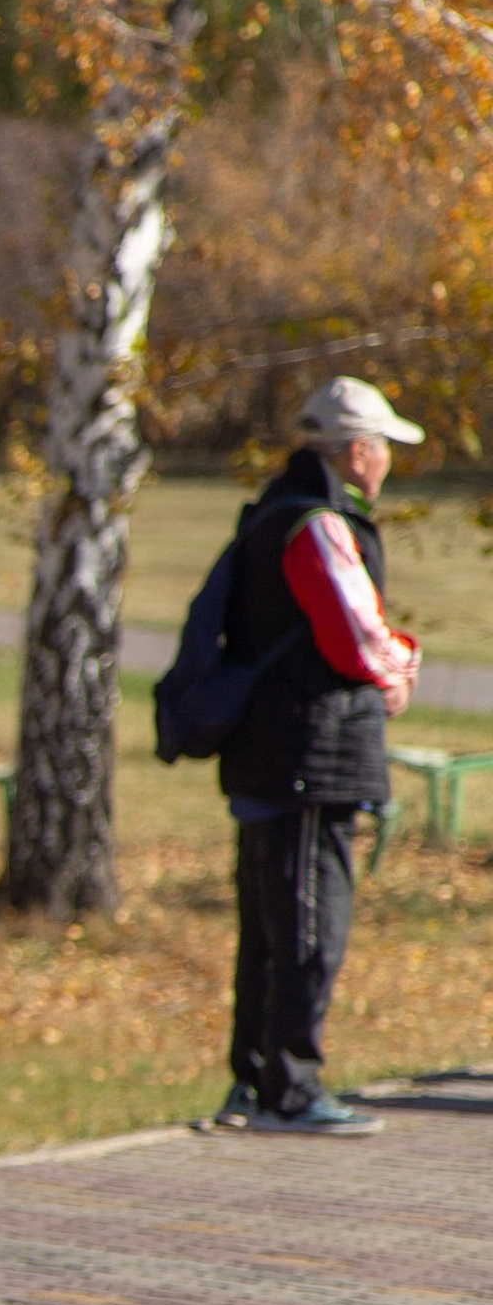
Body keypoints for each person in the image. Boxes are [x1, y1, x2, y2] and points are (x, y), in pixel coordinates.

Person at [211, 374, 421, 1137]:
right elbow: (355, 634)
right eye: (385, 448)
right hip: (307, 751)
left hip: (278, 749)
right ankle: (289, 1088)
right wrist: (401, 664)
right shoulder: (316, 523)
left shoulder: (275, 510)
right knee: (307, 922)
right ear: (357, 451)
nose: (388, 462)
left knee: (272, 923)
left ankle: (258, 1080)